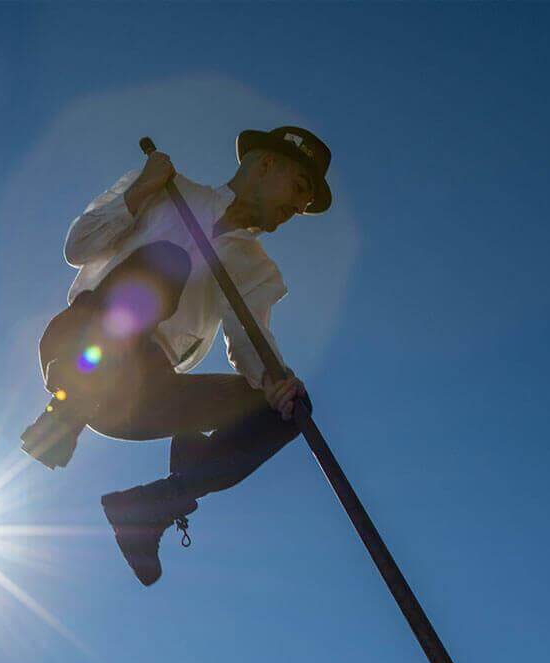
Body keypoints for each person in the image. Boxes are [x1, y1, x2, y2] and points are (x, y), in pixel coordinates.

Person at [33, 125, 333, 586]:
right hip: (79, 347)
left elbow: (251, 343)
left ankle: (151, 507)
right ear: (266, 164)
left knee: (292, 410)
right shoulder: (168, 190)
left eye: (305, 201)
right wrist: (140, 191)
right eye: (298, 188)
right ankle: (68, 404)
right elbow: (78, 247)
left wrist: (277, 383)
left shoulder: (256, 268)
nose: (298, 207)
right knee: (166, 262)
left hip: (141, 393)